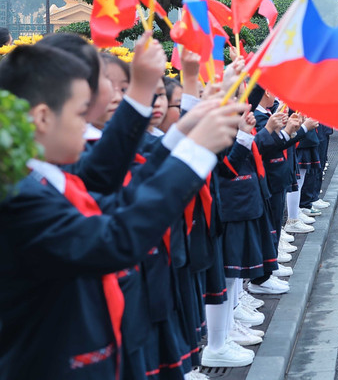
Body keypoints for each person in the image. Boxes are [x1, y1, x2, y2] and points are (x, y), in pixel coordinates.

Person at [0, 42, 246, 379]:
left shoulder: (39, 181)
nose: (85, 124)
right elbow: (115, 237)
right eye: (79, 112)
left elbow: (119, 199)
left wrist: (185, 135)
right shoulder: (21, 196)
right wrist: (194, 152)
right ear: (43, 117)